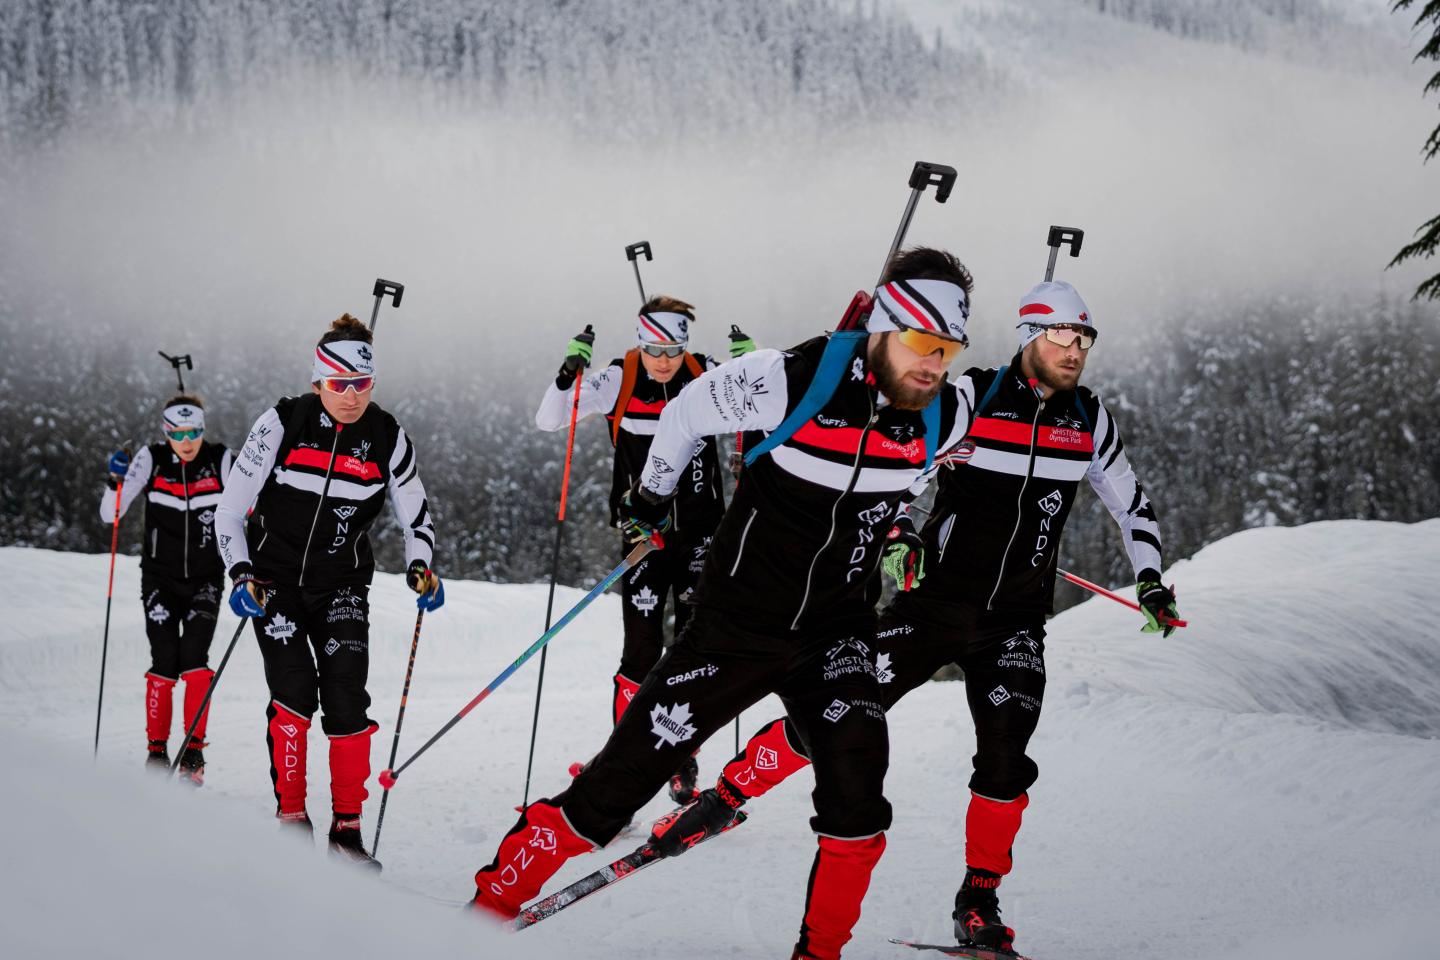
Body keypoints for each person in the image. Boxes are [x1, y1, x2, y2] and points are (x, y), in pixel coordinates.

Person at [473, 248, 982, 960]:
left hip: (837, 634)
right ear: (885, 325)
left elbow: (918, 472)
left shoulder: (943, 411)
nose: (935, 364)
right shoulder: (788, 378)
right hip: (736, 625)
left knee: (859, 803)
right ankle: (481, 912)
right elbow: (683, 412)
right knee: (614, 791)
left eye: (950, 348)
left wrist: (900, 523)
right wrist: (650, 498)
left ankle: (820, 952)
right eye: (924, 344)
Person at [661, 279, 1181, 955]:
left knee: (1005, 763)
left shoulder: (1090, 422)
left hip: (1016, 622)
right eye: (1060, 334)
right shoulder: (970, 398)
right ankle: (728, 796)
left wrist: (1152, 578)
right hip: (933, 605)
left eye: (1084, 338)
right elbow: (901, 469)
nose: (1074, 349)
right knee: (836, 713)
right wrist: (900, 532)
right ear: (1029, 335)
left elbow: (1131, 505)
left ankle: (978, 899)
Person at [215, 313, 444, 866]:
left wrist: (422, 565)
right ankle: (292, 818)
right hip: (274, 583)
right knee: (295, 692)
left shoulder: (387, 435)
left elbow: (416, 514)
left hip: (341, 582)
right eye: (339, 384)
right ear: (318, 381)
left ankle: (347, 830)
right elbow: (228, 510)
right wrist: (240, 573)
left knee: (346, 699)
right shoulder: (282, 422)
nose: (350, 396)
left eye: (362, 384)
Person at [535, 299, 756, 803]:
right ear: (640, 342)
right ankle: (625, 761)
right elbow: (550, 419)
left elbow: (767, 411)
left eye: (673, 350)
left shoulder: (705, 374)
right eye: (653, 348)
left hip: (702, 533)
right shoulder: (621, 378)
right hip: (644, 534)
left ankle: (681, 755)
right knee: (640, 650)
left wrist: (749, 364)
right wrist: (569, 373)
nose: (663, 360)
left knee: (700, 647)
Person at [101, 395, 231, 783]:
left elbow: (251, 501)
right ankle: (156, 752)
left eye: (194, 432)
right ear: (166, 432)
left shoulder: (220, 459)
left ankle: (193, 751)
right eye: (178, 433)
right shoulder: (152, 458)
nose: (187, 441)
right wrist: (115, 481)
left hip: (206, 578)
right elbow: (112, 514)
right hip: (159, 577)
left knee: (194, 658)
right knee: (164, 659)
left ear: (203, 430)